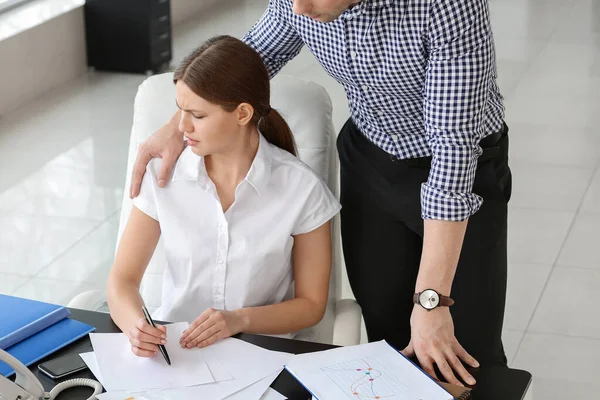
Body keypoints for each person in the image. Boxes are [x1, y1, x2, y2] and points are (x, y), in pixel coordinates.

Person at [130, 0, 512, 387]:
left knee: (464, 346)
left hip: (462, 171)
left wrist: (432, 299)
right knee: (392, 336)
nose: (298, 7)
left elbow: (453, 149)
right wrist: (176, 125)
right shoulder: (299, 3)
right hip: (371, 161)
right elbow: (243, 66)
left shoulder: (446, 6)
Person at [107, 35, 341, 358]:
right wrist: (136, 327)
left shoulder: (303, 191)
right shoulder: (164, 176)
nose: (182, 127)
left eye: (197, 116)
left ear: (242, 114)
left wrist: (238, 320)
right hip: (175, 355)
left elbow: (312, 305)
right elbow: (122, 281)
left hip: (261, 356)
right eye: (180, 111)